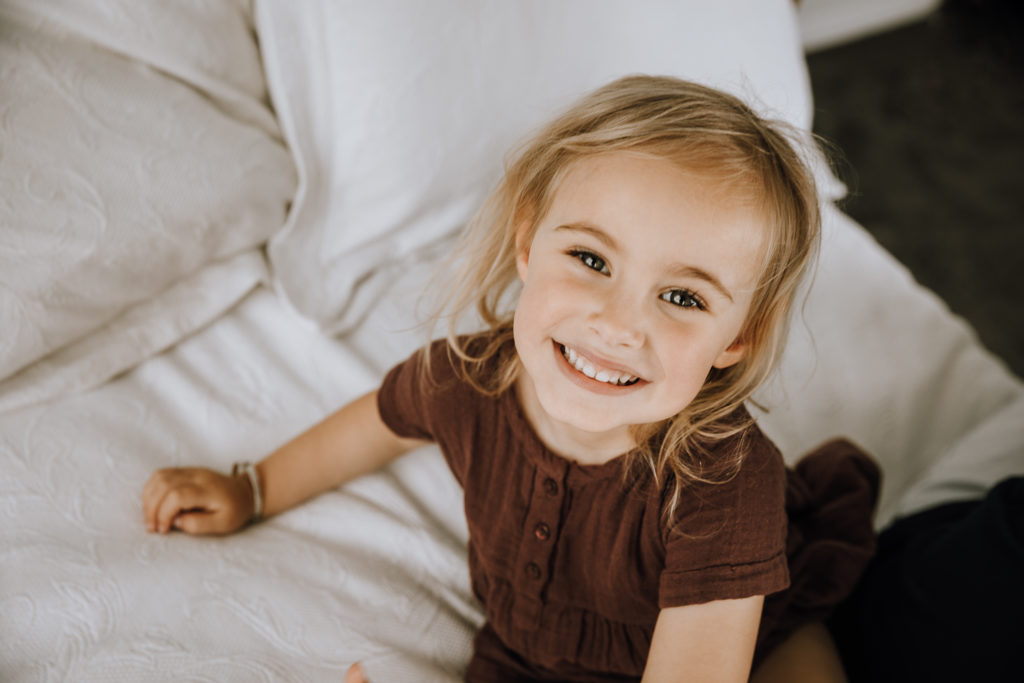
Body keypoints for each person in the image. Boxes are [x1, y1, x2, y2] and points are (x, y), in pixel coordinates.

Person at [142, 75, 878, 682]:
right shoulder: (471, 380)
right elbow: (380, 422)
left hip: (740, 643)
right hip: (529, 652)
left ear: (738, 337)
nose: (618, 324)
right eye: (591, 259)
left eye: (682, 297)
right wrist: (254, 487)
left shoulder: (722, 481)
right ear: (528, 242)